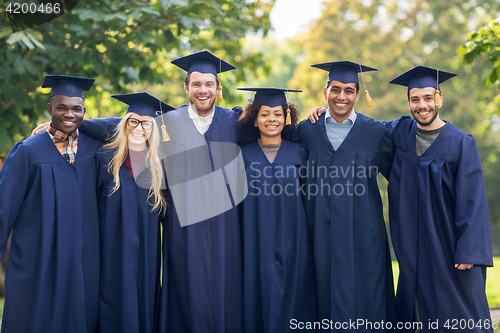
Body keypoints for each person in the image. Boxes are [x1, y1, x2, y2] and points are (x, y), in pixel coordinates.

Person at [385, 66, 493, 332]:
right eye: (415, 99)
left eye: (428, 98)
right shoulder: (400, 132)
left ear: (439, 99)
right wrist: (323, 112)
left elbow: (473, 200)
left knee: (458, 312)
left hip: (448, 243)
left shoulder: (461, 142)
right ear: (408, 102)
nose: (422, 105)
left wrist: (468, 248)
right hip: (412, 244)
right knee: (416, 307)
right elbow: (361, 130)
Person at [291, 61, 397, 331]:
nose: (342, 96)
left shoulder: (375, 132)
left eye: (349, 91)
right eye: (335, 89)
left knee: (366, 294)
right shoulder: (305, 131)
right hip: (317, 232)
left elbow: (400, 174)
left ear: (358, 95)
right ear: (324, 91)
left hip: (364, 233)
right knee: (320, 291)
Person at [156, 50, 253, 333]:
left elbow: (275, 124)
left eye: (209, 84)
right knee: (187, 289)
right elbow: (124, 125)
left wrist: (316, 114)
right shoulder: (166, 124)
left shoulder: (235, 123)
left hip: (227, 227)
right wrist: (80, 124)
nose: (203, 90)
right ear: (186, 87)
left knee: (227, 289)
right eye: (196, 84)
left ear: (218, 89)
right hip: (182, 228)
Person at [0, 75, 101, 333]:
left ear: (84, 111)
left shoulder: (96, 150)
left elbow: (129, 125)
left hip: (83, 258)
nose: (69, 114)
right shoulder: (27, 151)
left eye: (76, 109)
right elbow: (3, 209)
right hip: (38, 257)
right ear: (49, 109)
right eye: (61, 107)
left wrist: (89, 126)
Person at [237, 87, 316, 333]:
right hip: (253, 241)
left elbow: (309, 197)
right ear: (254, 118)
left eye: (278, 114)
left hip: (295, 242)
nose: (272, 119)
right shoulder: (242, 155)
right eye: (265, 114)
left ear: (286, 117)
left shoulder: (300, 153)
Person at [95, 92, 174, 333]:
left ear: (154, 127)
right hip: (111, 249)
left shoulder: (161, 165)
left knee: (143, 295)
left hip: (147, 254)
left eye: (146, 122)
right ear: (125, 123)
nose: (139, 127)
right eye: (133, 121)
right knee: (112, 296)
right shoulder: (104, 158)